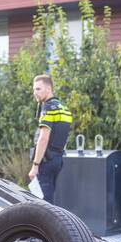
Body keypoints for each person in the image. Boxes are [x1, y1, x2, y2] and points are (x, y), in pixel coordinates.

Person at [28, 74, 72, 204]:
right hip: (58, 159)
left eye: (38, 89)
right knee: (49, 198)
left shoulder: (48, 108)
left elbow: (43, 138)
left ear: (49, 89)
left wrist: (35, 165)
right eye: (34, 89)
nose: (35, 93)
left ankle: (43, 225)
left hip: (46, 161)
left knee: (42, 203)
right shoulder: (64, 109)